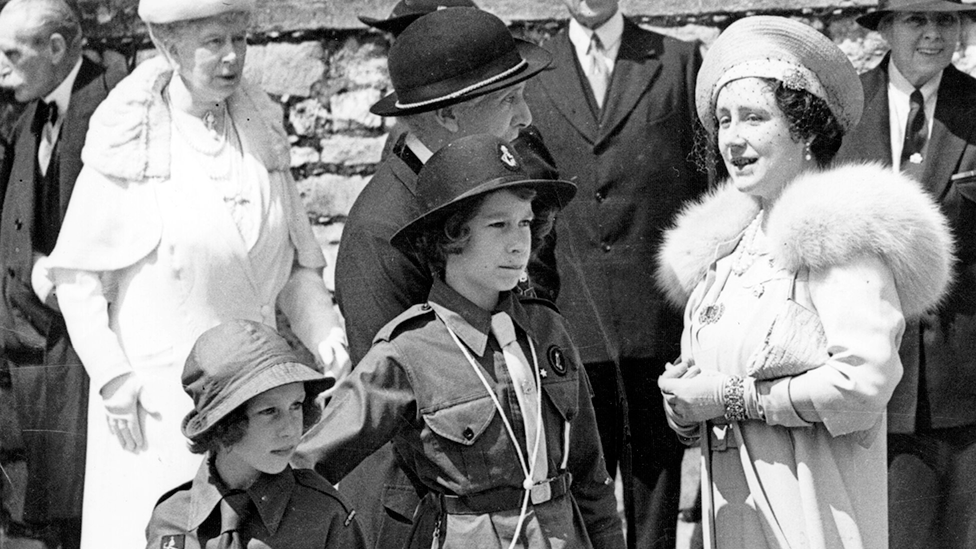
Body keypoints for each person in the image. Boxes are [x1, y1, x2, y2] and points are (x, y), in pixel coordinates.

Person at [44, 0, 350, 547]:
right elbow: (78, 278)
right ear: (170, 48)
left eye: (240, 38)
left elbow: (296, 266)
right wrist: (114, 378)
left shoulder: (259, 133)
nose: (233, 56)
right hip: (163, 406)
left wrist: (325, 334)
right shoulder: (130, 137)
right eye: (213, 42)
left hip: (256, 402)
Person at [655, 15, 954, 549]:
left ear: (807, 129)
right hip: (731, 516)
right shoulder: (729, 254)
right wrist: (682, 402)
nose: (734, 138)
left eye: (754, 117)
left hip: (812, 518)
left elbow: (862, 386)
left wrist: (728, 397)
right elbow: (709, 388)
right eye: (724, 120)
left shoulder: (839, 238)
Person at [297, 133, 624, 549]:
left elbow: (590, 476)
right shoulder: (410, 351)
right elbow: (308, 461)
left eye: (525, 222)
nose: (519, 242)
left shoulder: (546, 331)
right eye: (498, 224)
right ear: (452, 236)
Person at [333, 8, 554, 547]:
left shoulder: (509, 184)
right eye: (508, 100)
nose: (526, 117)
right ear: (450, 118)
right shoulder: (382, 231)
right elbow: (396, 418)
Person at [522, 1, 708, 547]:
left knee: (656, 508)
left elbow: (708, 186)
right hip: (572, 331)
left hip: (656, 324)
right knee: (580, 501)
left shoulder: (677, 62)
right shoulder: (532, 70)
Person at [834, 2, 976, 547]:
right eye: (917, 19)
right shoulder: (842, 112)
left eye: (946, 21)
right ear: (886, 27)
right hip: (874, 391)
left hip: (968, 386)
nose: (934, 34)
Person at [0, 2, 125, 547]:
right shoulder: (32, 116)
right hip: (33, 345)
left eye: (11, 53)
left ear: (55, 49)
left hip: (80, 346)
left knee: (81, 511)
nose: (1, 69)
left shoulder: (112, 106)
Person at [146, 319, 367, 549]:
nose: (290, 429)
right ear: (225, 424)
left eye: (296, 405)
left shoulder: (324, 514)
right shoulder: (171, 518)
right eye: (270, 411)